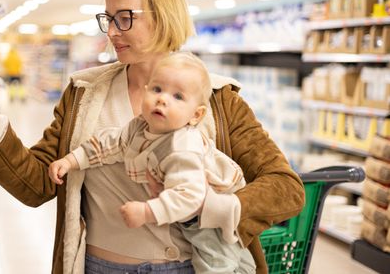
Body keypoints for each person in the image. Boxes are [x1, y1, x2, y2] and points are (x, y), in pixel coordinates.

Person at [0, 0, 304, 274]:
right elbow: (38, 184)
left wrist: (206, 209)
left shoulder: (217, 98)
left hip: (187, 267)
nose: (112, 32)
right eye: (108, 18)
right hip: (99, 266)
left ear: (164, 16)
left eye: (125, 18)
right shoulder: (84, 94)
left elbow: (285, 188)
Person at [48, 52, 256, 273]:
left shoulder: (183, 145)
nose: (162, 99)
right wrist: (71, 161)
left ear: (196, 115)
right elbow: (111, 144)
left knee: (217, 265)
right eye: (157, 89)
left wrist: (147, 211)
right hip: (193, 218)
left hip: (214, 222)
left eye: (178, 96)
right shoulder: (140, 127)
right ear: (146, 90)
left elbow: (190, 196)